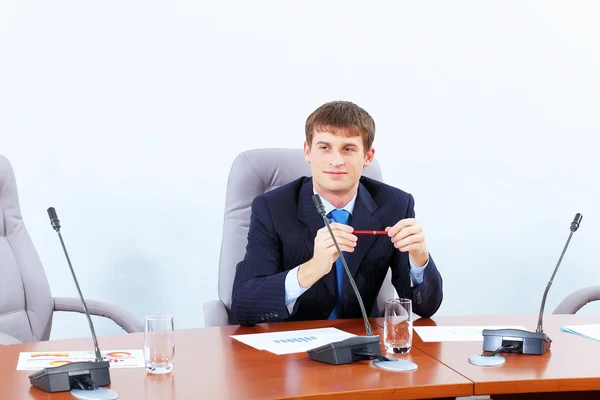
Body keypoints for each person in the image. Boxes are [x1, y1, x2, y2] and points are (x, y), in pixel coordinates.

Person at [231, 101, 443, 325]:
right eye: (325, 147)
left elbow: (425, 308)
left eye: (348, 149)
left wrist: (419, 259)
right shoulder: (272, 208)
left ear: (368, 156)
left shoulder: (396, 205)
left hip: (363, 342)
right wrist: (311, 270)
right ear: (308, 151)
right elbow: (244, 306)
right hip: (294, 345)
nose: (336, 161)